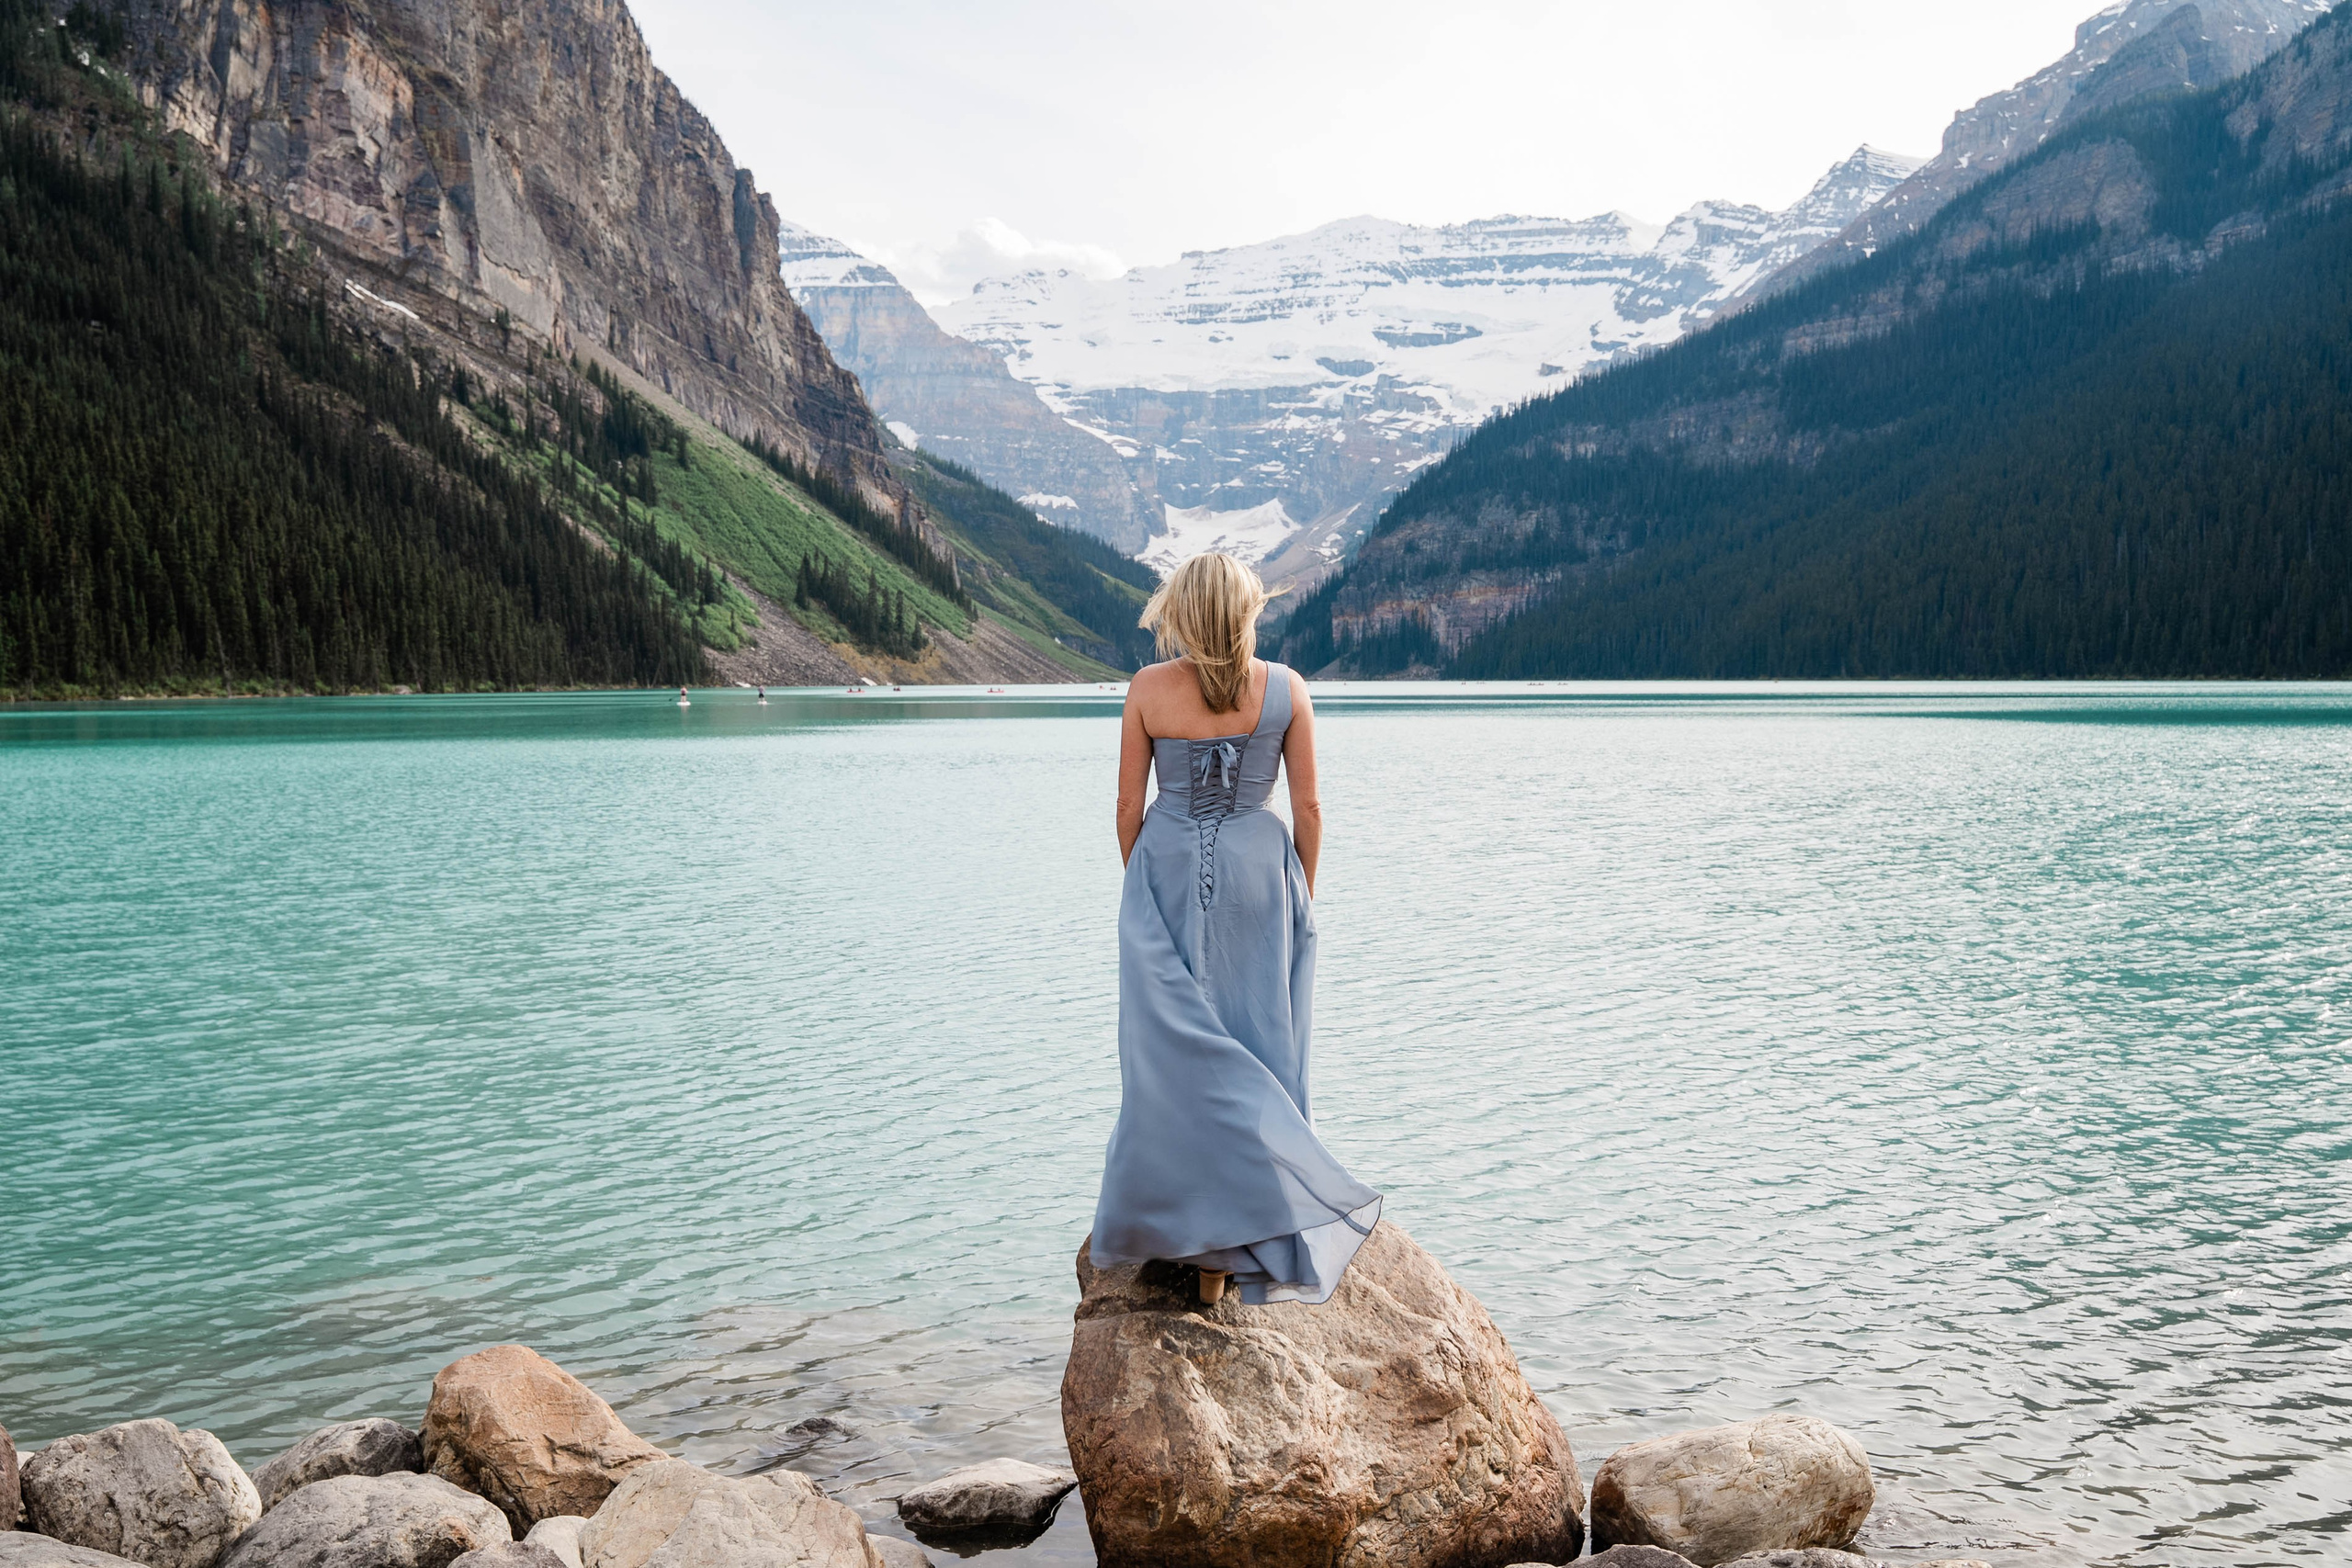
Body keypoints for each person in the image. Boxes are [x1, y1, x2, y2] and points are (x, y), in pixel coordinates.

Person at [1090, 552, 1380, 1307]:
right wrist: (1298, 896)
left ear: (1182, 611)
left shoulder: (1150, 690)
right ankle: (1245, 1238)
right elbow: (1311, 812)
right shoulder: (1286, 689)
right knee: (1259, 1039)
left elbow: (1126, 809)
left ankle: (1177, 1226)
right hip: (1261, 873)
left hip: (1167, 868)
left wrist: (1145, 884)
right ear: (1247, 612)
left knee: (1169, 1052)